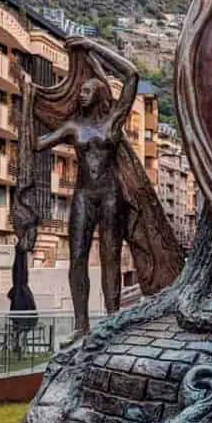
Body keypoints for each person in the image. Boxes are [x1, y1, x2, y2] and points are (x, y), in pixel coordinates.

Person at [33, 38, 138, 337]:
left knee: (110, 257)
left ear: (100, 93)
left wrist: (93, 46)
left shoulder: (113, 122)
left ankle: (112, 319)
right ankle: (81, 325)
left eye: (87, 90)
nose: (81, 94)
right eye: (80, 90)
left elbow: (132, 75)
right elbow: (37, 144)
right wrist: (28, 99)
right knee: (77, 256)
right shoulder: (73, 127)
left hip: (110, 195)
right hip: (82, 194)